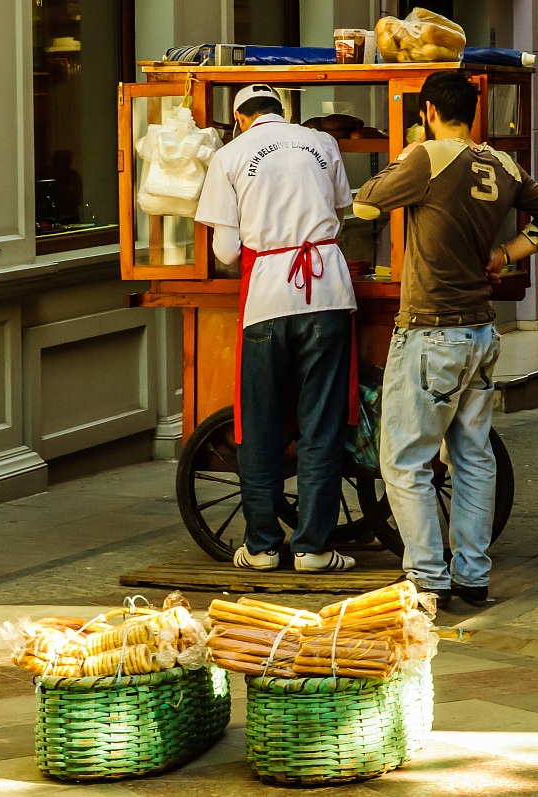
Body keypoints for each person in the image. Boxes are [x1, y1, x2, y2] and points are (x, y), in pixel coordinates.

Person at [354, 71, 538, 607]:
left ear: (428, 110)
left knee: (404, 462)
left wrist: (412, 148)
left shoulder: (427, 157)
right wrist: (504, 254)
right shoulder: (501, 163)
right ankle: (472, 575)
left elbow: (365, 203)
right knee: (473, 457)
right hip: (480, 330)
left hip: (431, 332)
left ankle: (427, 578)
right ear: (474, 112)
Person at [195, 84, 358, 573]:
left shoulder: (229, 155)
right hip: (327, 293)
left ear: (240, 117)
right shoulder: (322, 143)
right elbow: (341, 217)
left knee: (262, 427)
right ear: (281, 113)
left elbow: (225, 252)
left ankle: (263, 546)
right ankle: (313, 549)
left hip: (267, 298)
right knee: (321, 426)